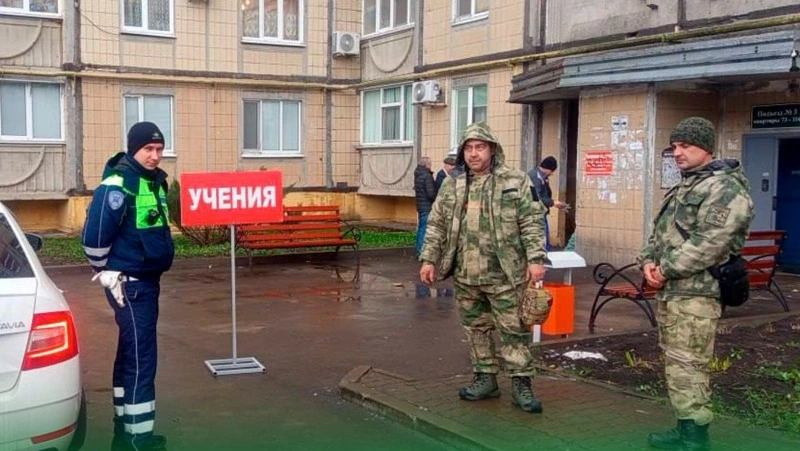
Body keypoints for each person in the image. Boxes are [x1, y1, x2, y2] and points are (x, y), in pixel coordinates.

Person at [639, 117, 754, 451]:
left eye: (685, 145)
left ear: (706, 147)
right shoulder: (687, 185)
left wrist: (665, 269)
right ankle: (686, 427)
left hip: (698, 293)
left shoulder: (725, 188)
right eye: (674, 146)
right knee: (677, 362)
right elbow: (659, 234)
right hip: (675, 292)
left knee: (689, 363)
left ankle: (695, 436)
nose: (677, 152)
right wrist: (647, 261)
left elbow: (711, 242)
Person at [419, 122, 548, 413]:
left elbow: (531, 221)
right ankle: (485, 379)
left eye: (480, 147)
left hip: (505, 273)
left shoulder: (514, 180)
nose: (474, 153)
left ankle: (521, 383)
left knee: (514, 331)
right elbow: (436, 224)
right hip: (466, 274)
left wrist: (536, 259)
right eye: (468, 148)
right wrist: (429, 259)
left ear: (492, 149)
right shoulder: (452, 184)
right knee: (476, 329)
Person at [82, 122, 175, 451]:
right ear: (134, 149)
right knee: (141, 358)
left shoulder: (153, 182)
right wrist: (107, 272)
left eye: (159, 149)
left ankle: (124, 422)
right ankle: (139, 440)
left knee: (129, 352)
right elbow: (93, 239)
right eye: (148, 149)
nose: (155, 156)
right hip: (131, 285)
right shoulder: (117, 185)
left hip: (146, 282)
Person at [528, 156, 567, 251]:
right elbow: (535, 197)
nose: (552, 174)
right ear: (548, 169)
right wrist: (552, 202)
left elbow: (544, 194)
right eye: (552, 171)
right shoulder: (535, 177)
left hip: (540, 212)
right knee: (542, 241)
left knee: (545, 240)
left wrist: (553, 203)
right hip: (535, 214)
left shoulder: (542, 177)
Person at [414, 156, 436, 257]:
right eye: (430, 163)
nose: (431, 165)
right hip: (427, 206)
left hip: (420, 205)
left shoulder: (418, 174)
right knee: (424, 229)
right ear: (427, 165)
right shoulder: (427, 176)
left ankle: (418, 249)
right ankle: (421, 251)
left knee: (421, 228)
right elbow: (430, 194)